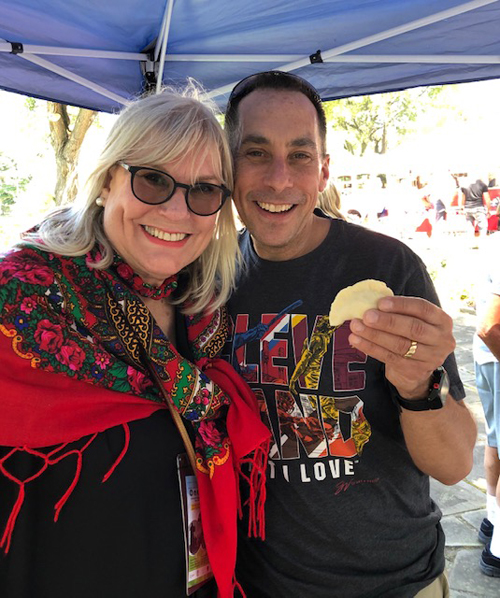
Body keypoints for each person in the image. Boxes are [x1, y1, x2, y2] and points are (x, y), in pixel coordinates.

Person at [0, 87, 269, 598]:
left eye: (205, 191)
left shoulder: (205, 311)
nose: (177, 211)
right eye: (152, 180)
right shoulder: (20, 301)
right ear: (105, 182)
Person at [223, 70, 477, 598]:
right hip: (259, 585)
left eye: (299, 155)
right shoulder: (208, 278)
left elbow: (453, 465)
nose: (278, 179)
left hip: (397, 583)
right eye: (255, 153)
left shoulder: (387, 266)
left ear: (322, 171)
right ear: (228, 167)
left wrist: (417, 385)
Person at [474, 233, 500, 577]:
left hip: (490, 359)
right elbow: (490, 325)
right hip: (496, 355)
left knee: (496, 440)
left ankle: (493, 521)